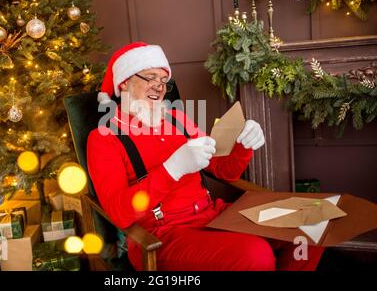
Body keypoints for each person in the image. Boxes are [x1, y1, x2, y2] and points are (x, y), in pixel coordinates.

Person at [87, 42, 324, 271]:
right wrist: (173, 169)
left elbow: (224, 170)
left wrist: (244, 144)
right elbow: (119, 213)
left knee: (312, 221)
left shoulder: (177, 120)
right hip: (161, 235)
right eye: (150, 77)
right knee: (256, 255)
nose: (159, 87)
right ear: (125, 83)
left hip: (212, 215)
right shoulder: (104, 138)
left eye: (163, 80)